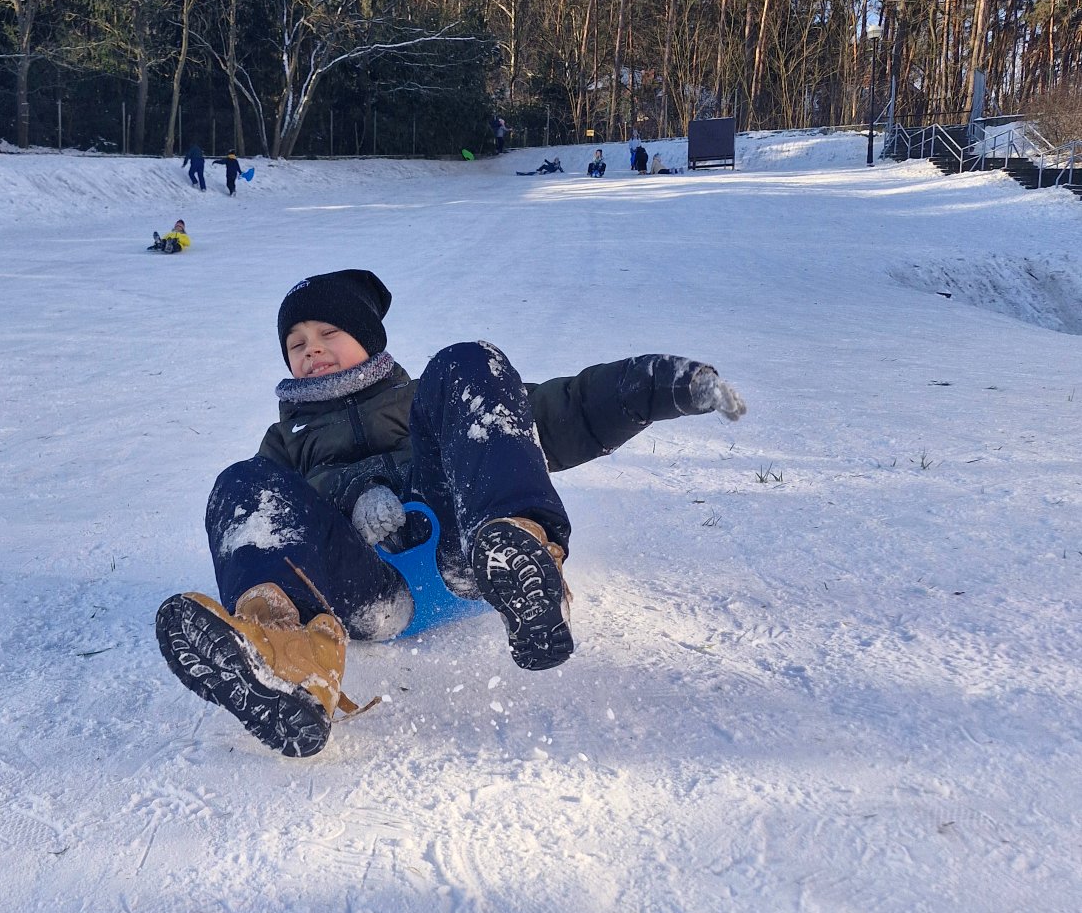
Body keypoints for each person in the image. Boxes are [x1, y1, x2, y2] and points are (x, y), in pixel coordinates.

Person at [154, 268, 747, 757]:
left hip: (462, 553)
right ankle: (285, 661)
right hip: (366, 593)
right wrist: (348, 503)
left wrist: (668, 386)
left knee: (469, 362)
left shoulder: (427, 400)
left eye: (328, 332)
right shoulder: (286, 443)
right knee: (240, 484)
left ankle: (518, 546)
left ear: (368, 338)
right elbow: (276, 535)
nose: (312, 349)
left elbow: (565, 410)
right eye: (296, 344)